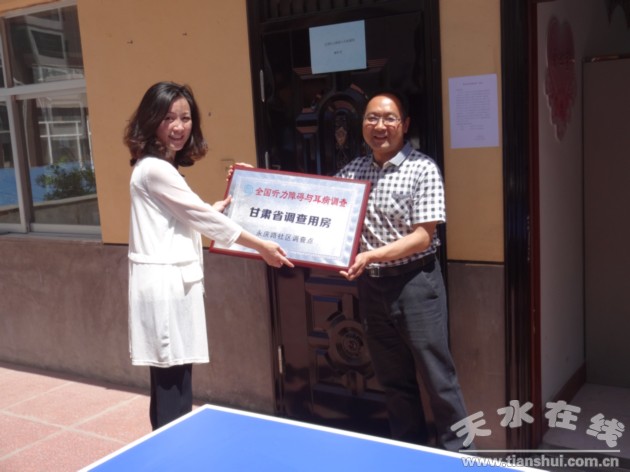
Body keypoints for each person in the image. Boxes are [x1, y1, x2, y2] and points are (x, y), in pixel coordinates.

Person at [123, 81, 293, 430]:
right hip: (166, 289)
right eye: (168, 118)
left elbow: (186, 215)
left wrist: (220, 204)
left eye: (185, 118)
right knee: (173, 388)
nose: (178, 127)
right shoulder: (156, 168)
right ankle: (173, 452)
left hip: (168, 286)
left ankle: (166, 448)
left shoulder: (157, 167)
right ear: (151, 120)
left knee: (169, 382)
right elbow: (200, 216)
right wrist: (261, 246)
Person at [335, 91, 470, 451]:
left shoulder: (422, 169)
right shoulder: (353, 172)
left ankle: (462, 455)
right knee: (393, 381)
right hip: (372, 288)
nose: (379, 126)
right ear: (362, 124)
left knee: (439, 379)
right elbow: (320, 205)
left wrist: (371, 256)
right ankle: (410, 451)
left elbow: (423, 237)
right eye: (372, 118)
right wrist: (259, 185)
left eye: (389, 118)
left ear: (405, 125)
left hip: (416, 284)